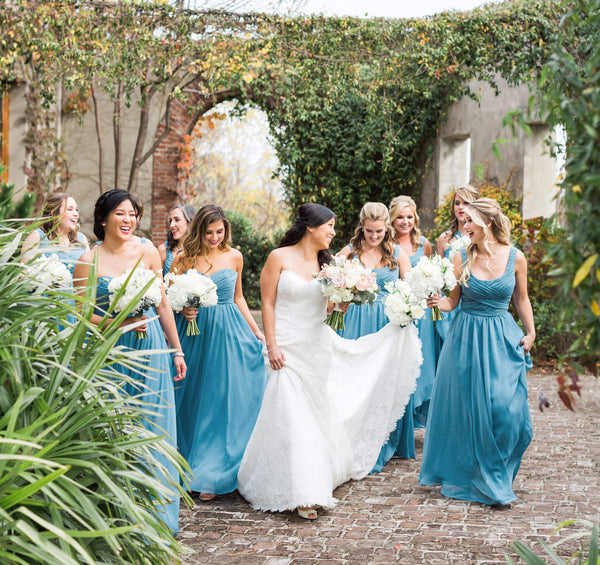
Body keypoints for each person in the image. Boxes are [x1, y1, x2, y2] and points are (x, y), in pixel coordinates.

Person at [237, 203, 421, 520]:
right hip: (286, 347)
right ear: (311, 226)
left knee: (308, 415)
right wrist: (272, 344)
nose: (334, 233)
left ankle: (309, 478)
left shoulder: (330, 264)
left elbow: (328, 310)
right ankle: (304, 492)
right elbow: (266, 303)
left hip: (315, 346)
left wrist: (343, 304)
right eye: (330, 226)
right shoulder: (278, 257)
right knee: (290, 414)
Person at [72, 189, 186, 535]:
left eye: (133, 214)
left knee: (154, 426)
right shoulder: (87, 262)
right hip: (112, 351)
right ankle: (119, 513)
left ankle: (156, 514)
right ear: (104, 218)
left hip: (151, 348)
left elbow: (163, 304)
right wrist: (115, 323)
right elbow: (80, 314)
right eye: (121, 213)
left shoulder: (149, 252)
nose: (128, 220)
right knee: (118, 425)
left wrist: (177, 350)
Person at [419, 198, 535, 506]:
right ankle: (482, 477)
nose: (464, 226)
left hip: (501, 337)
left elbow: (522, 299)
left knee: (507, 411)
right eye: (463, 220)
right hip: (466, 338)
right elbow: (452, 302)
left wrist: (531, 332)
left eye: (470, 221)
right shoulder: (460, 256)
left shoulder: (516, 257)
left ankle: (496, 471)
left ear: (487, 223)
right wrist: (433, 301)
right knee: (470, 410)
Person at [170, 204, 267, 502]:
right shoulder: (183, 257)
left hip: (228, 331)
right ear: (199, 230)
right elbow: (168, 296)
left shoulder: (234, 256)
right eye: (209, 232)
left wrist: (256, 331)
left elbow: (238, 297)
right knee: (192, 399)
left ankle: (215, 473)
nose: (214, 237)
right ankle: (187, 468)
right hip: (194, 333)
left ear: (226, 229)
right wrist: (183, 307)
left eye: (219, 231)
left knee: (222, 399)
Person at [336, 202, 415, 469]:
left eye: (379, 231)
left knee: (384, 379)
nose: (374, 236)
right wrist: (340, 298)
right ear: (362, 227)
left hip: (386, 323)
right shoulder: (350, 252)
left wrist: (407, 309)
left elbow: (411, 288)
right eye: (369, 231)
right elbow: (330, 277)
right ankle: (352, 437)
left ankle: (383, 438)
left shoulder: (397, 252)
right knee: (355, 379)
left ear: (387, 228)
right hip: (355, 321)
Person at [389, 195, 437, 427]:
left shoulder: (423, 244)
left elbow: (430, 274)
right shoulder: (385, 243)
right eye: (400, 217)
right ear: (392, 219)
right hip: (397, 309)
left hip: (423, 314)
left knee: (422, 362)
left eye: (409, 216)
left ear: (415, 218)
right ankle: (399, 419)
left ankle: (417, 415)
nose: (405, 221)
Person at [435, 185, 481, 346]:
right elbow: (438, 274)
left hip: (472, 301)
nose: (461, 207)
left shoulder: (481, 237)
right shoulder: (445, 239)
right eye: (457, 203)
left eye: (466, 203)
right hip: (448, 301)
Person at [22, 192, 89, 271]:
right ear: (54, 214)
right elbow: (24, 273)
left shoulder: (82, 239)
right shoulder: (37, 236)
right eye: (70, 209)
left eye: (76, 210)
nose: (76, 214)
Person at [157, 204, 197, 276]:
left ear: (190, 221)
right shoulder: (163, 250)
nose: (171, 225)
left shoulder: (202, 249)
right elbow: (156, 283)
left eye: (177, 220)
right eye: (170, 221)